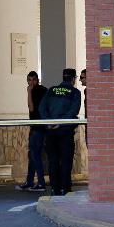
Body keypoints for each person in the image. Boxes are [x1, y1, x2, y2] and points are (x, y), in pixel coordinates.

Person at [40, 68, 82, 196]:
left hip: (50, 132)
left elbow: (42, 107)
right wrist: (60, 122)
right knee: (65, 160)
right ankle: (65, 188)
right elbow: (73, 111)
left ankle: (55, 188)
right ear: (73, 79)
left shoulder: (51, 90)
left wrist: (49, 122)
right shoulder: (74, 92)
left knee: (53, 160)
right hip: (65, 132)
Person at [18, 71, 48, 192]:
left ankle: (40, 182)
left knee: (35, 154)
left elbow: (31, 107)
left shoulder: (37, 91)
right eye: (29, 80)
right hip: (37, 127)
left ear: (38, 80)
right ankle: (30, 181)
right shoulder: (44, 90)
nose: (31, 83)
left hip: (38, 127)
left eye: (33, 80)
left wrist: (29, 92)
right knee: (32, 154)